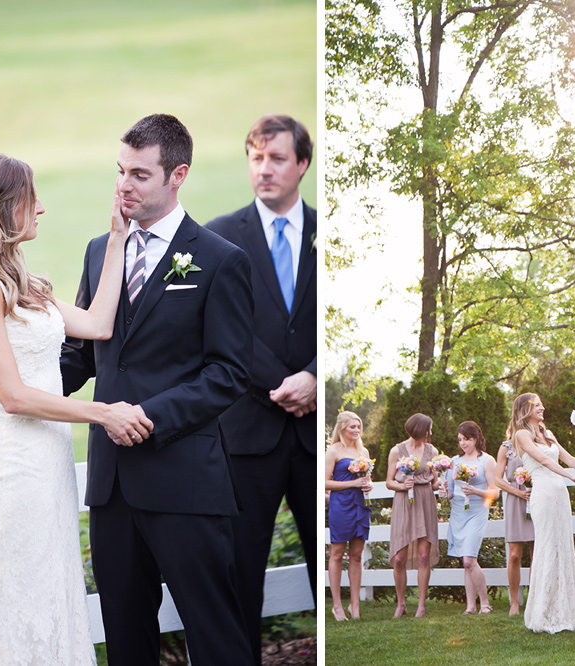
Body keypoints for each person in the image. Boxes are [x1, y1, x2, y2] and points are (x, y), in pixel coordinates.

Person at [60, 114, 254, 666]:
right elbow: (82, 355)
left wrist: (146, 414)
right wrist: (15, 375)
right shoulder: (100, 251)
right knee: (124, 634)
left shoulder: (218, 260)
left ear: (178, 175)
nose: (124, 185)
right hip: (112, 487)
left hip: (184, 480)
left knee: (214, 631)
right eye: (120, 171)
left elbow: (228, 373)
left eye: (140, 175)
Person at [0, 153, 153, 664]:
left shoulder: (26, 285)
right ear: (1, 207)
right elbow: (13, 395)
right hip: (15, 473)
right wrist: (103, 412)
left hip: (49, 470)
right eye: (30, 199)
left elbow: (100, 323)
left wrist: (118, 239)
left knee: (57, 601)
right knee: (24, 608)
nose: (41, 209)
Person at [204, 114, 316, 662]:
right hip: (248, 429)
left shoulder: (329, 232)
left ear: (301, 164)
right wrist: (284, 384)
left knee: (330, 562)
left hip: (320, 435)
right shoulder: (219, 236)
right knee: (240, 569)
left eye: (276, 158)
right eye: (256, 158)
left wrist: (317, 376)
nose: (264, 169)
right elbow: (222, 326)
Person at [509, 392, 575, 633]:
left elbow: (568, 457)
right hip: (543, 492)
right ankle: (542, 614)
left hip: (559, 494)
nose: (542, 408)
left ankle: (563, 611)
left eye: (542, 404)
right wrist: (571, 476)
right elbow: (543, 460)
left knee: (562, 547)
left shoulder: (548, 433)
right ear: (525, 409)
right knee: (546, 546)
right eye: (537, 405)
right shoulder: (521, 434)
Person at [385, 413, 441, 618]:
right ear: (419, 430)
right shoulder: (396, 451)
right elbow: (389, 481)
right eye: (428, 429)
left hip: (425, 500)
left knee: (424, 555)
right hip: (403, 502)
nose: (431, 433)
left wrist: (440, 484)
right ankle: (401, 604)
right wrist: (402, 485)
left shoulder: (431, 450)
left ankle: (421, 604)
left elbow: (434, 482)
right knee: (399, 557)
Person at [445, 420, 499, 615]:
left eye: (467, 439)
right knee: (465, 560)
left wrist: (476, 490)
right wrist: (444, 492)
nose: (463, 443)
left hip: (477, 512)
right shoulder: (454, 462)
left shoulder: (487, 460)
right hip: (458, 512)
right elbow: (450, 494)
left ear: (476, 438)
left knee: (469, 558)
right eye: (460, 440)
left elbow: (495, 493)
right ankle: (470, 606)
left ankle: (485, 603)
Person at [325, 411, 373, 621]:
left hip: (360, 505)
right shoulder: (333, 451)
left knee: (356, 554)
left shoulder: (364, 451)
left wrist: (367, 484)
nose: (356, 430)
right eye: (352, 426)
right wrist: (352, 483)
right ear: (342, 427)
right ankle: (337, 606)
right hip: (341, 504)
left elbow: (368, 478)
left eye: (358, 426)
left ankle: (355, 606)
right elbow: (324, 482)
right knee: (337, 553)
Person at [494, 436, 534, 616]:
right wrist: (519, 492)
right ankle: (514, 603)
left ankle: (535, 600)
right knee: (515, 555)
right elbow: (497, 479)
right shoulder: (506, 448)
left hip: (536, 498)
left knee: (538, 555)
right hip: (515, 500)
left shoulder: (538, 442)